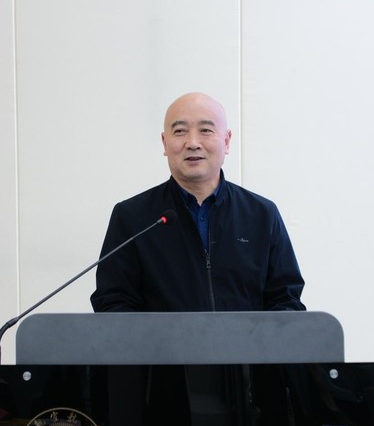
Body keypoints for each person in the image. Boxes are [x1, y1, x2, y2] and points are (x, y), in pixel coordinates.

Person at [90, 92, 305, 312]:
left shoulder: (262, 215)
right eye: (180, 131)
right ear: (165, 143)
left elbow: (286, 301)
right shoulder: (132, 217)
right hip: (161, 337)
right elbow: (113, 304)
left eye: (205, 130)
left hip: (247, 337)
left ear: (226, 141)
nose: (193, 143)